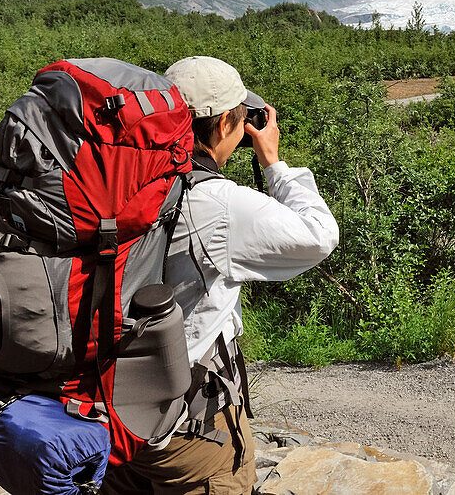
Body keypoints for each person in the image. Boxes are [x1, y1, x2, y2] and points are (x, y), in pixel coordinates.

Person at [101, 56, 340, 495]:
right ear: (228, 122)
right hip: (185, 425)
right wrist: (273, 163)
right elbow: (320, 236)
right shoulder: (216, 202)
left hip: (103, 410)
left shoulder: (114, 179)